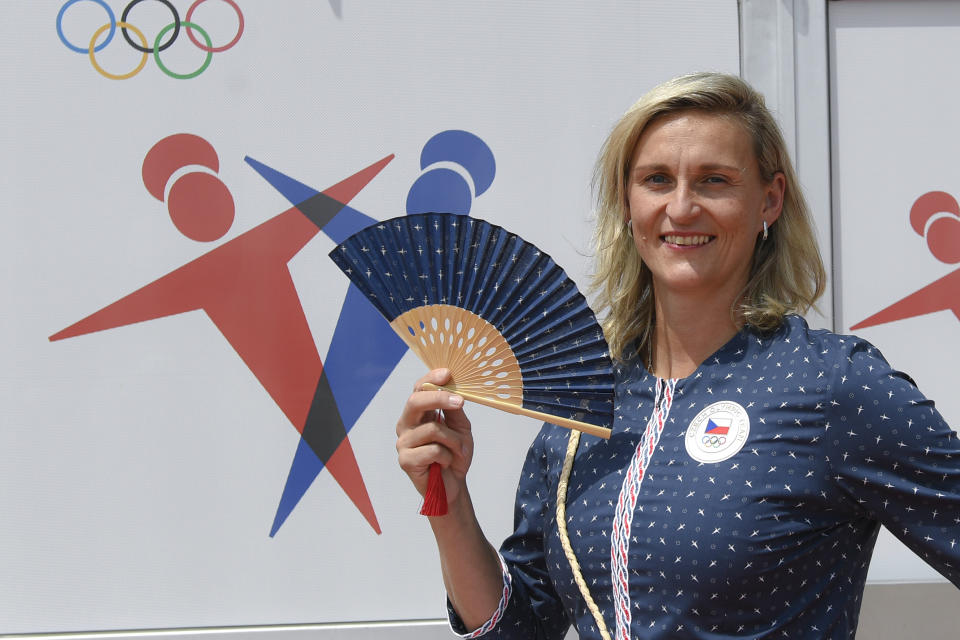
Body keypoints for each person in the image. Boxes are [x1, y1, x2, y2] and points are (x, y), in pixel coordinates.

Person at [395, 72, 960, 639]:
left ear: (770, 199)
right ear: (627, 201)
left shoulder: (834, 385)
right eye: (657, 180)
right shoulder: (582, 407)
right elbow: (516, 630)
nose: (682, 207)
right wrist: (449, 503)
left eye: (715, 181)